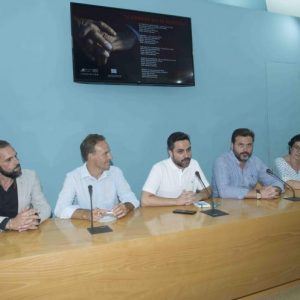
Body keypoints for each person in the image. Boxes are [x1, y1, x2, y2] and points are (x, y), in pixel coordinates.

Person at [54, 134, 139, 220]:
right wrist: (87, 214)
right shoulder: (73, 177)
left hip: (115, 227)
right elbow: (60, 209)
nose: (110, 157)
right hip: (86, 229)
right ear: (90, 156)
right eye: (105, 154)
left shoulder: (116, 172)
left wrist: (126, 207)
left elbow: (132, 200)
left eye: (109, 152)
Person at [141, 132, 211, 207]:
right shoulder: (159, 168)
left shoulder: (194, 164)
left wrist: (197, 197)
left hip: (188, 215)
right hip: (165, 215)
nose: (186, 155)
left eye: (188, 150)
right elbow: (145, 200)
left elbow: (208, 190)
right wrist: (176, 201)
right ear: (170, 153)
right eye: (180, 151)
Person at [212, 128, 283, 199]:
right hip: (222, 206)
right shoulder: (222, 162)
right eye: (241, 145)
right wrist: (258, 194)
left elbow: (276, 181)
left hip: (248, 204)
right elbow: (224, 192)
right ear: (232, 146)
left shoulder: (256, 162)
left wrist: (275, 190)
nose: (245, 149)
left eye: (249, 145)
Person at [0, 140, 51, 232]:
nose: (17, 162)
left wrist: (34, 220)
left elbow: (44, 207)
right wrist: (9, 223)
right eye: (9, 160)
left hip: (22, 237)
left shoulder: (30, 176)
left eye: (15, 156)